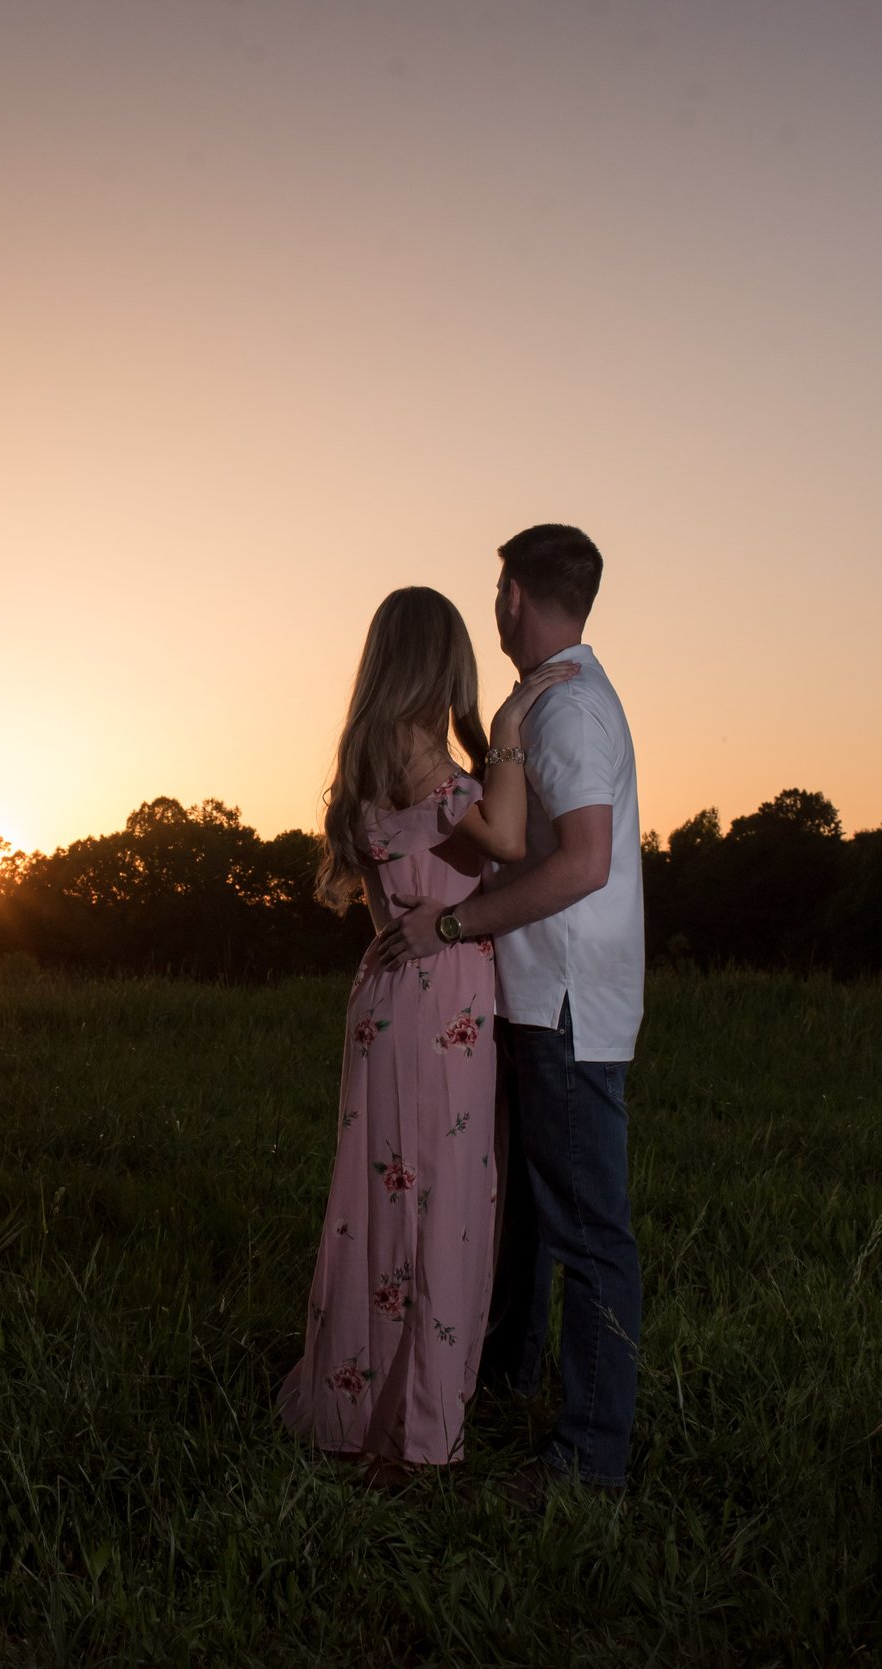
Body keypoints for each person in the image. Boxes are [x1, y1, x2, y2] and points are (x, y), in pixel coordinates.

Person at [364, 523, 645, 1493]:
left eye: (498, 595)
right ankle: (503, 1376)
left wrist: (455, 926)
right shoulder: (552, 701)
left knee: (586, 1229)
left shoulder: (566, 712)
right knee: (528, 1214)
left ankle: (589, 1456)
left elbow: (581, 861)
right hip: (538, 996)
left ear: (515, 596)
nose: (494, 613)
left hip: (563, 999)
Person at [277, 586, 579, 1486]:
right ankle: (412, 1440)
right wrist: (513, 725)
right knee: (441, 1207)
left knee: (381, 1200)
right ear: (441, 663)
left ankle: (358, 1409)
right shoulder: (440, 779)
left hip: (385, 996)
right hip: (439, 1001)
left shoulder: (371, 760)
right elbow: (517, 839)